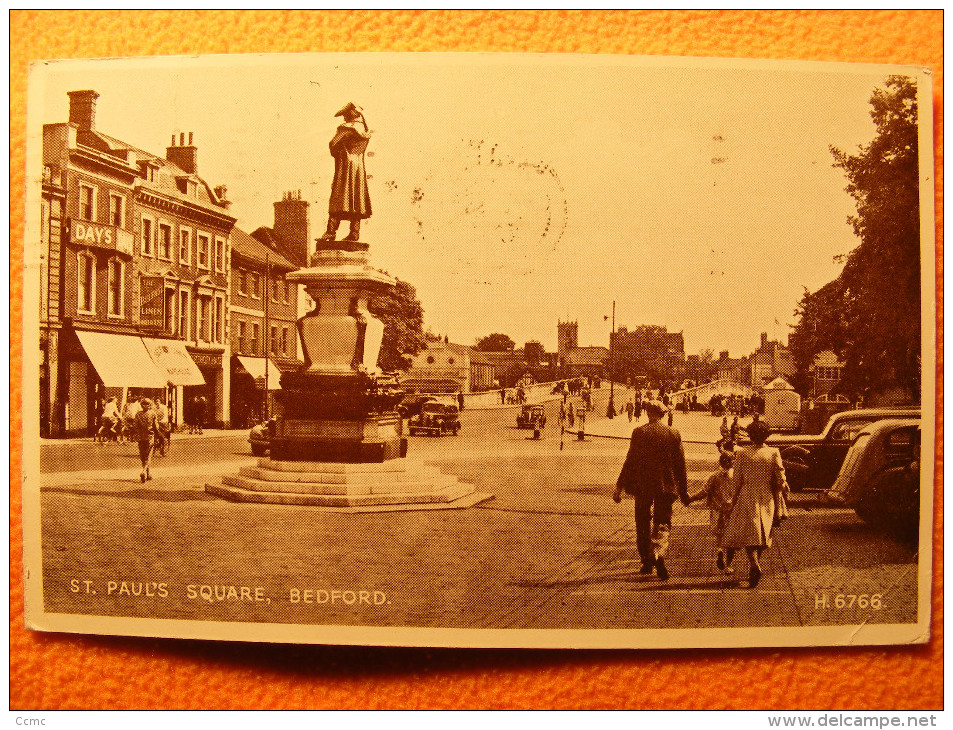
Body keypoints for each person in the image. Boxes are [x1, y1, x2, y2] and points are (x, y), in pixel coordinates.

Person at [613, 400, 690, 581]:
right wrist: (684, 491)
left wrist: (619, 487)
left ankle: (647, 560)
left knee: (642, 521)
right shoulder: (673, 433)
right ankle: (659, 552)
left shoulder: (639, 432)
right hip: (666, 486)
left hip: (643, 485)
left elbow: (630, 461)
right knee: (663, 521)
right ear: (663, 415)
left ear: (648, 414)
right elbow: (681, 465)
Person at [722, 420, 788, 588]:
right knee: (763, 532)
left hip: (747, 495)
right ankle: (756, 563)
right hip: (767, 497)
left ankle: (753, 564)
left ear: (750, 435)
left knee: (749, 532)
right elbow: (780, 477)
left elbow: (737, 480)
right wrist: (782, 488)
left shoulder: (743, 453)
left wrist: (732, 500)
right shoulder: (774, 452)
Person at [319, 102, 372, 242]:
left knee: (338, 199)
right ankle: (354, 233)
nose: (343, 118)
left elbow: (333, 144)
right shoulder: (364, 130)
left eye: (345, 115)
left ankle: (330, 232)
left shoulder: (346, 129)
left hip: (345, 168)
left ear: (349, 115)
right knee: (357, 201)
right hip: (358, 169)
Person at [689, 452, 736, 574]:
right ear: (733, 463)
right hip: (731, 511)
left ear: (720, 462)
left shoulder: (715, 476)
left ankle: (720, 550)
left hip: (717, 510)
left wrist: (691, 498)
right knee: (731, 539)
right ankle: (728, 566)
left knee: (720, 535)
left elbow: (704, 492)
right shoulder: (736, 476)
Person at [131, 398, 159, 483]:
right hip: (149, 437)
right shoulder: (153, 414)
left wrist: (135, 434)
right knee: (149, 455)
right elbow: (156, 427)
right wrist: (157, 436)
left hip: (140, 437)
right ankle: (143, 471)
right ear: (150, 405)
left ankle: (148, 474)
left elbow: (135, 425)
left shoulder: (138, 414)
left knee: (143, 456)